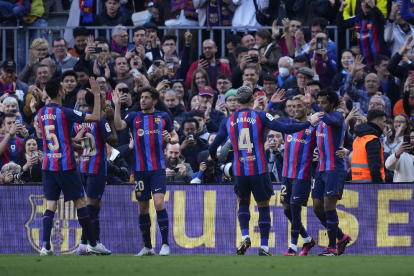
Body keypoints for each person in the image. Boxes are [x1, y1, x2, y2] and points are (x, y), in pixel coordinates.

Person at [208, 86, 322, 256]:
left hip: (239, 171)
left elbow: (213, 147)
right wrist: (308, 122)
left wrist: (216, 158)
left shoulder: (228, 120)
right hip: (259, 170)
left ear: (237, 102)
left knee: (243, 203)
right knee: (263, 206)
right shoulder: (260, 116)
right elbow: (285, 129)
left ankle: (245, 236)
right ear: (253, 100)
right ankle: (264, 247)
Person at [36, 77, 110, 255]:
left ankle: (45, 245)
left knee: (51, 205)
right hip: (65, 165)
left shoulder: (40, 113)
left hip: (47, 164)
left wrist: (71, 139)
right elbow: (95, 116)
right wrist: (97, 96)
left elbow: (50, 135)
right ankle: (92, 243)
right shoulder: (65, 112)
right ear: (60, 92)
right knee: (80, 203)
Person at [113, 85, 179, 256]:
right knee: (142, 209)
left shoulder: (163, 116)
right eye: (141, 97)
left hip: (157, 168)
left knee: (158, 203)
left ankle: (165, 245)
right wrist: (117, 106)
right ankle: (148, 247)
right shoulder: (134, 117)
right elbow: (119, 125)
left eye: (146, 97)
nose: (142, 100)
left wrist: (169, 138)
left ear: (154, 101)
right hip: (140, 170)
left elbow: (175, 136)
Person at [303, 87, 352, 256]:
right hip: (321, 169)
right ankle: (341, 236)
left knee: (329, 206)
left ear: (332, 103)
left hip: (334, 168)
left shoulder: (337, 116)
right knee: (317, 208)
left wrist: (346, 150)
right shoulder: (319, 121)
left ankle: (331, 247)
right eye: (318, 103)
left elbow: (333, 123)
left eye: (324, 103)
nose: (321, 105)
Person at [72, 90, 118, 255]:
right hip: (96, 167)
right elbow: (114, 140)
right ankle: (85, 244)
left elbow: (74, 143)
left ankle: (96, 241)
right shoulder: (99, 120)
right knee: (91, 206)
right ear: (99, 101)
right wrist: (111, 120)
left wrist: (83, 147)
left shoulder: (80, 120)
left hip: (83, 167)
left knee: (96, 205)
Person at [276, 94, 317, 256]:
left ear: (307, 107)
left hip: (302, 175)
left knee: (294, 208)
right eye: (292, 106)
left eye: (299, 105)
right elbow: (265, 118)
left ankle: (292, 247)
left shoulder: (313, 127)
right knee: (287, 210)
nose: (295, 109)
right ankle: (307, 239)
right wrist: (269, 104)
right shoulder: (287, 124)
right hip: (286, 174)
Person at [336, 0, 390, 67]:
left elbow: (381, 18)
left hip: (381, 59)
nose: (365, 5)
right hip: (366, 60)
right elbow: (341, 24)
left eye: (368, 2)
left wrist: (373, 6)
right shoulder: (358, 18)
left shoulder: (376, 17)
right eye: (363, 2)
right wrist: (341, 9)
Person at [351, 109, 386, 183]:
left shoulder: (358, 137)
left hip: (356, 181)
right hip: (370, 184)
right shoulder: (372, 139)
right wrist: (379, 185)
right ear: (377, 122)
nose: (385, 125)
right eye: (384, 122)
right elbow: (374, 167)